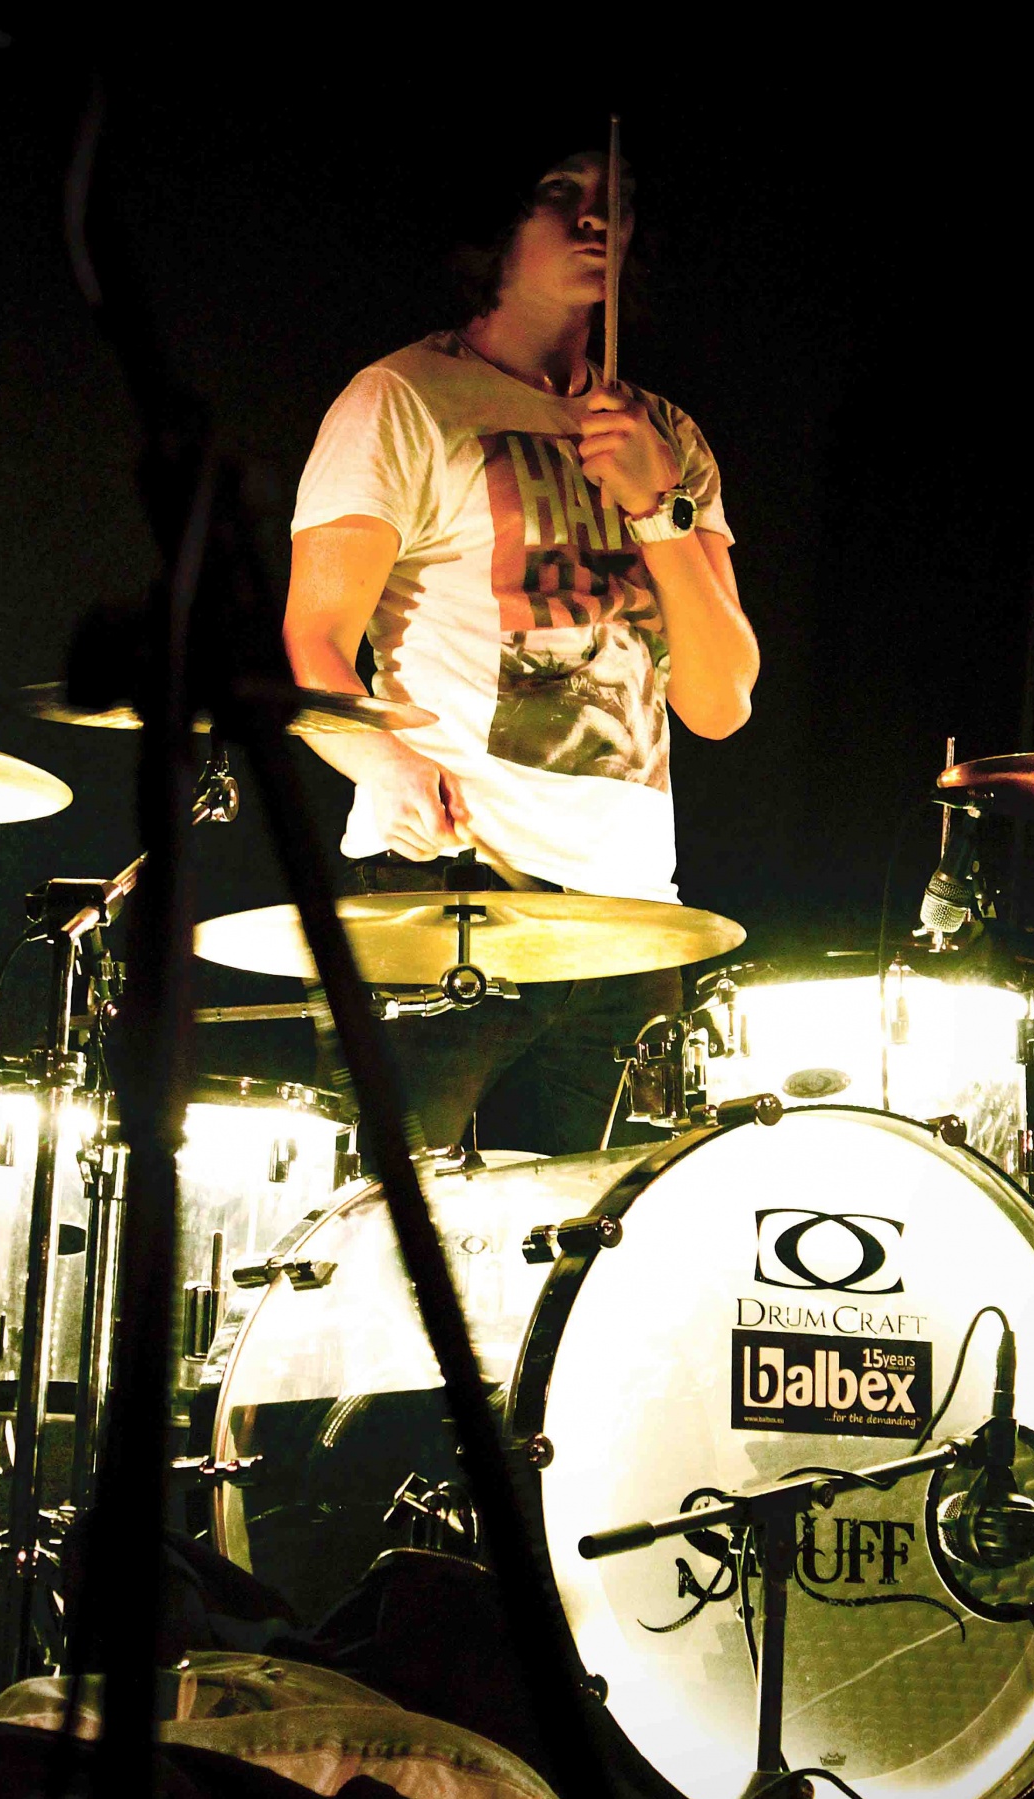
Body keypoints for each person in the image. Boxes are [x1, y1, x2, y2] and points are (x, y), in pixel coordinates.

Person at [282, 144, 758, 1153]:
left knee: (592, 1240)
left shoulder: (666, 437)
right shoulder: (403, 397)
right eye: (561, 195)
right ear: (499, 219)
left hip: (631, 917)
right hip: (450, 891)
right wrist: (382, 761)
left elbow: (720, 701)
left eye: (617, 201)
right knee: (403, 1225)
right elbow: (311, 642)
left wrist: (659, 505)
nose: (596, 220)